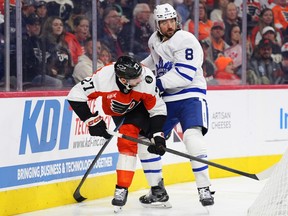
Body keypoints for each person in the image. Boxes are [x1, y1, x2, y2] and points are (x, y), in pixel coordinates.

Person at [67, 55, 169, 211]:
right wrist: (92, 121)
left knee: (142, 144)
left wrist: (157, 135)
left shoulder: (146, 78)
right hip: (118, 113)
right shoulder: (103, 78)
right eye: (136, 78)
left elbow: (158, 109)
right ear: (123, 80)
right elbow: (75, 95)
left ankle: (126, 188)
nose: (140, 79)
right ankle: (152, 189)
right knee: (133, 144)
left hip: (140, 108)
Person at [141, 3, 214, 207]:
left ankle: (204, 188)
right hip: (166, 99)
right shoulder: (154, 40)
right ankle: (157, 190)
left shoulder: (186, 40)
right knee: (146, 141)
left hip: (190, 94)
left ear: (177, 20)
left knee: (191, 135)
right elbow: (155, 61)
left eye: (171, 20)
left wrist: (154, 85)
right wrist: (137, 70)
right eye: (164, 22)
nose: (169, 25)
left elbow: (184, 75)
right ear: (157, 24)